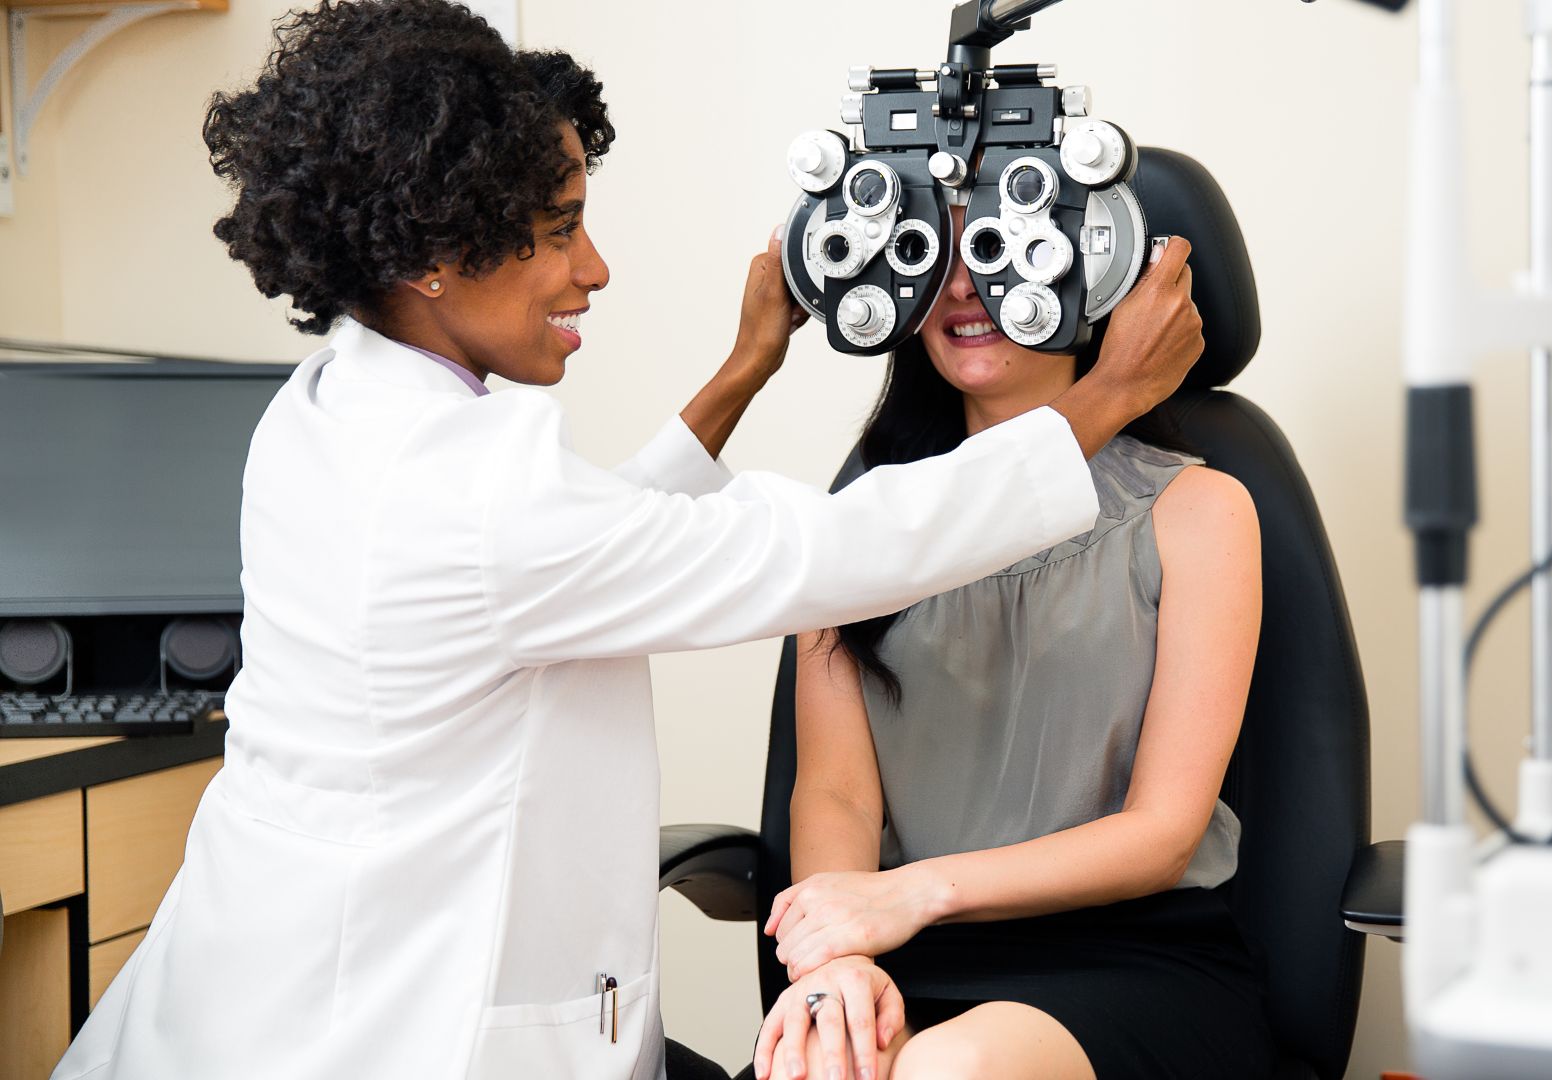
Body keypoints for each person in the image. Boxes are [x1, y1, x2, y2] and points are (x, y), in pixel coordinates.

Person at [50, 3, 1204, 1079]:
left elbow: (586, 550)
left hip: (250, 983)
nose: (593, 269)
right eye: (559, 233)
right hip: (393, 1029)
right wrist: (1102, 398)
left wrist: (745, 369)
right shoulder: (473, 496)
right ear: (431, 256)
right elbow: (813, 554)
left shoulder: (332, 409)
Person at [754, 209, 1272, 1080]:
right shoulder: (862, 530)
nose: (963, 285)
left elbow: (1164, 833)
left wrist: (909, 894)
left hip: (1129, 963)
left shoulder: (1200, 512)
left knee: (948, 1071)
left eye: (997, 249)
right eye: (935, 255)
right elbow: (836, 793)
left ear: (1089, 269)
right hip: (906, 952)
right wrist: (836, 959)